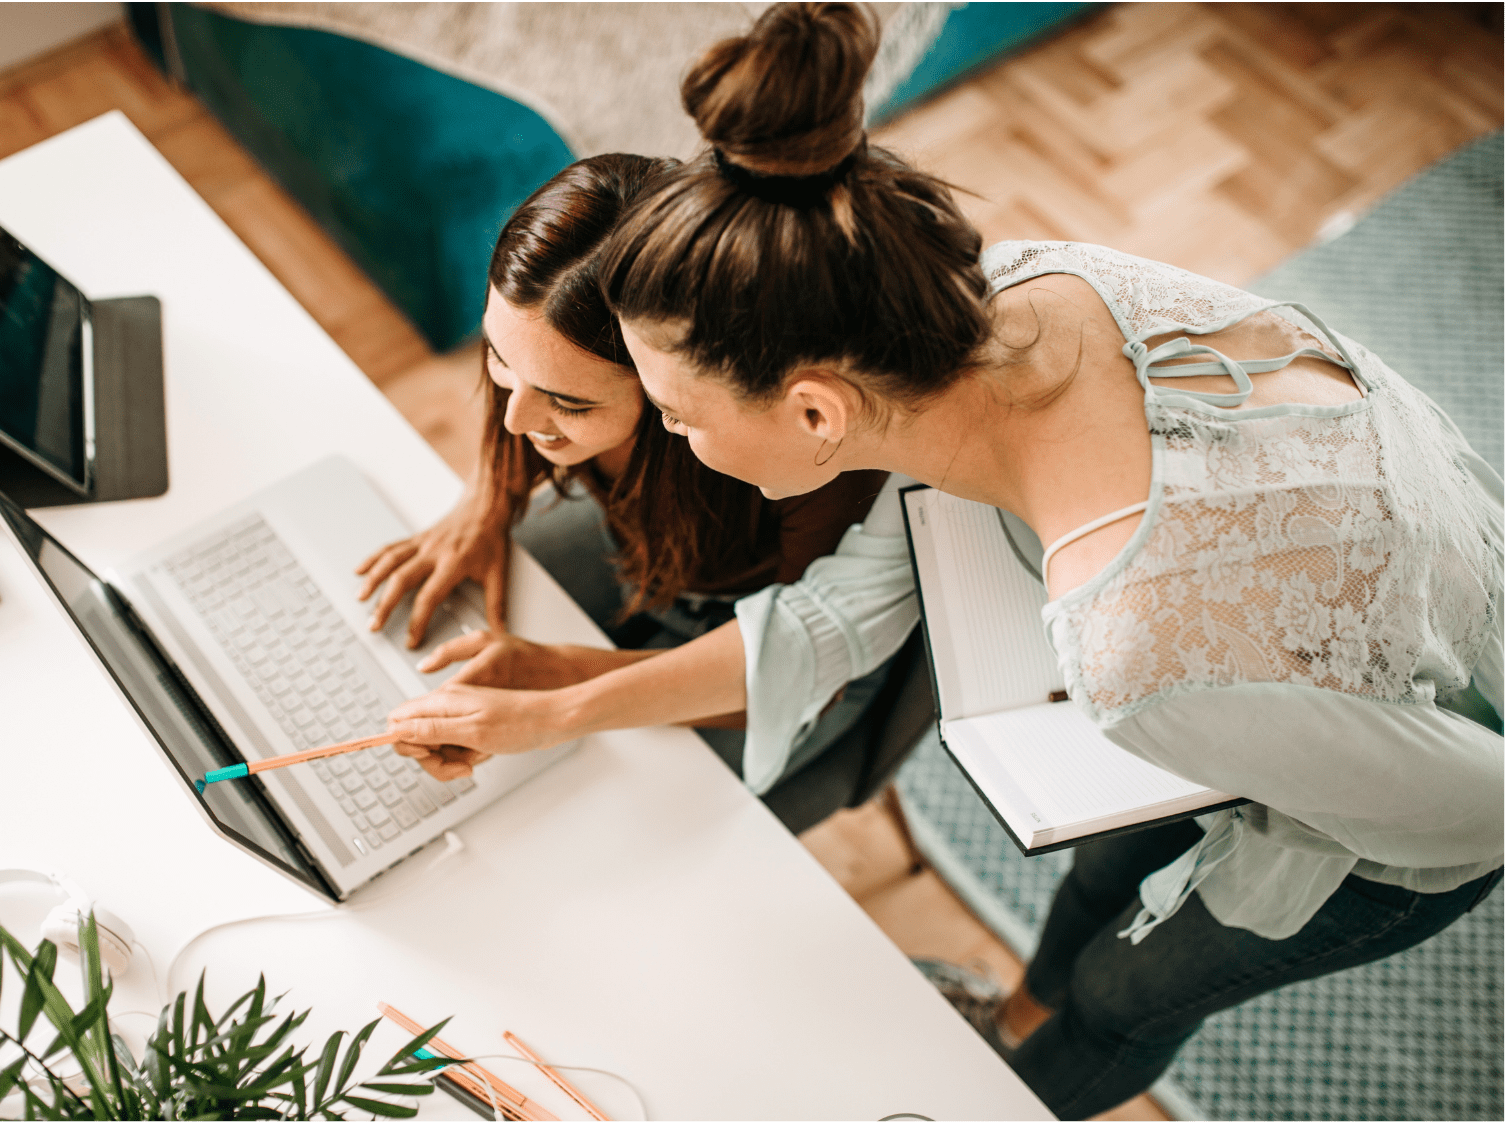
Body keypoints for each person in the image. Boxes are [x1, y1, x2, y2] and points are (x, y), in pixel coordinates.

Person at [383, 4, 1505, 1118]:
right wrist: (565, 692)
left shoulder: (1137, 655)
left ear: (816, 412)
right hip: (1318, 630)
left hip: (1419, 798)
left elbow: (1479, 809)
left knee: (1121, 992)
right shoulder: (1010, 296)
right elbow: (846, 614)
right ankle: (1017, 1014)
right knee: (1111, 873)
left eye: (678, 415)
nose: (677, 444)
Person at [355, 151, 902, 799]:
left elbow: (798, 666)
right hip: (666, 563)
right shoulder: (545, 369)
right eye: (500, 359)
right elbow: (530, 377)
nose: (515, 420)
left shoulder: (801, 455)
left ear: (671, 380)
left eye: (571, 402)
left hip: (797, 652)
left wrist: (570, 675)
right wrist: (486, 500)